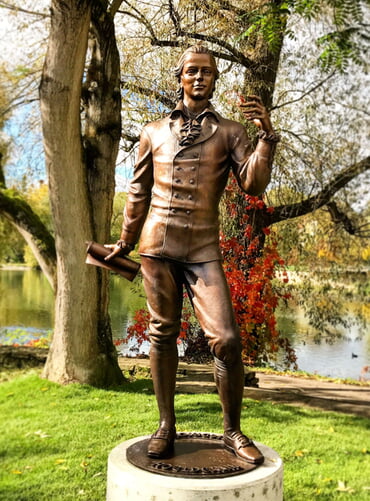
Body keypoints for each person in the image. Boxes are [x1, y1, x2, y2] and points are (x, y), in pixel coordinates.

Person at [105, 44, 279, 465]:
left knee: (227, 339)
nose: (199, 78)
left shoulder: (231, 132)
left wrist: (266, 137)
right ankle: (166, 425)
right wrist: (125, 242)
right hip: (157, 246)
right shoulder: (153, 131)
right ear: (179, 78)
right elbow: (137, 192)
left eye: (208, 72)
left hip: (202, 247)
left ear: (216, 80)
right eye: (192, 72)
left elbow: (252, 186)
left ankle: (232, 431)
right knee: (162, 334)